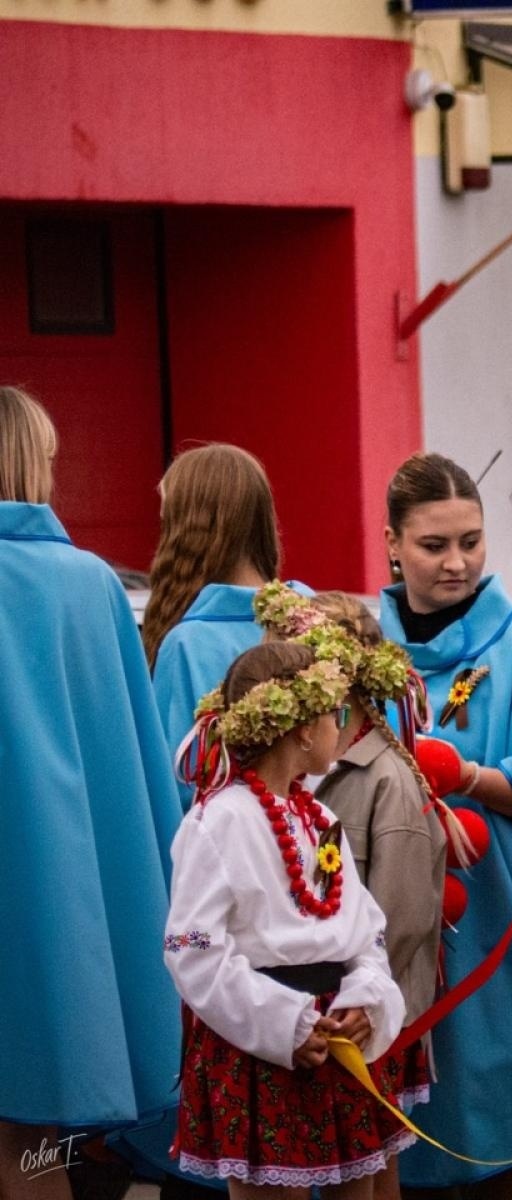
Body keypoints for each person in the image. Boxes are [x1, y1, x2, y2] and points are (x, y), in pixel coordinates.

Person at [0, 386, 186, 1200]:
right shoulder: (87, 586)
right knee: (38, 1136)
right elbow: (133, 770)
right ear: (34, 467)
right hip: (56, 907)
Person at [379, 452, 512, 1199]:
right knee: (397, 1143)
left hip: (496, 913)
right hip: (393, 918)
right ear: (392, 543)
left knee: (505, 1142)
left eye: (471, 540)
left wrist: (461, 774)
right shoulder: (364, 648)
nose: (457, 562)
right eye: (434, 546)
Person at [163, 640, 412, 1192]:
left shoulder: (319, 817)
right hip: (265, 1044)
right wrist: (286, 1024)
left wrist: (366, 995)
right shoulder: (219, 820)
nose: (342, 728)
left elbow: (362, 929)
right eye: (336, 715)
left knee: (363, 1188)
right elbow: (192, 946)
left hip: (335, 1033)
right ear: (302, 729)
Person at [256, 586, 445, 1200]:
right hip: (319, 1023)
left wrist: (354, 1001)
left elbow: (402, 918)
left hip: (366, 1022)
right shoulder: (300, 775)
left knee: (366, 1173)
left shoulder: (383, 779)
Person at [144, 444, 293, 771]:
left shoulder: (187, 644)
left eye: (167, 524)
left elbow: (176, 784)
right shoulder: (321, 620)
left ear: (188, 531)